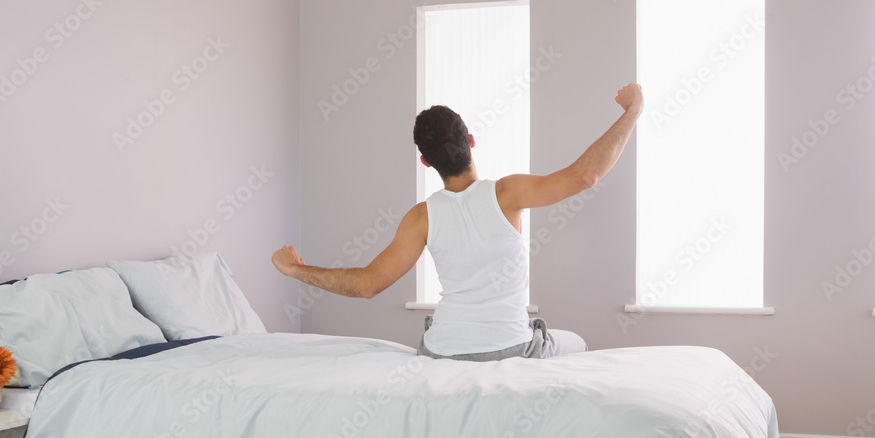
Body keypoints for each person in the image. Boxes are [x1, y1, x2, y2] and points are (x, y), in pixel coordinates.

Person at [272, 83, 644, 360]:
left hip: (442, 352)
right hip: (511, 347)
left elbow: (368, 285)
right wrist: (632, 111)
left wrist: (295, 270)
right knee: (575, 344)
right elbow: (585, 176)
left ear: (426, 162)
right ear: (470, 140)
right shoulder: (507, 193)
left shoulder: (422, 217)